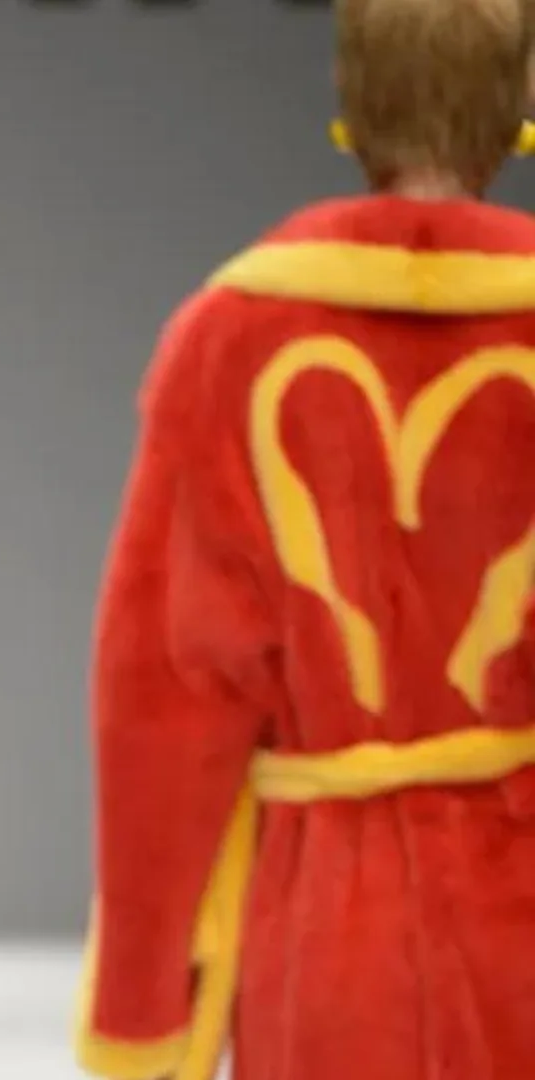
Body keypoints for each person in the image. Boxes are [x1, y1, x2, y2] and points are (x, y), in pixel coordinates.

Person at [75, 2, 535, 1078]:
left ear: (349, 110)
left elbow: (161, 693)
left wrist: (144, 1002)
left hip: (324, 923)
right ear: (517, 110)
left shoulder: (231, 336)